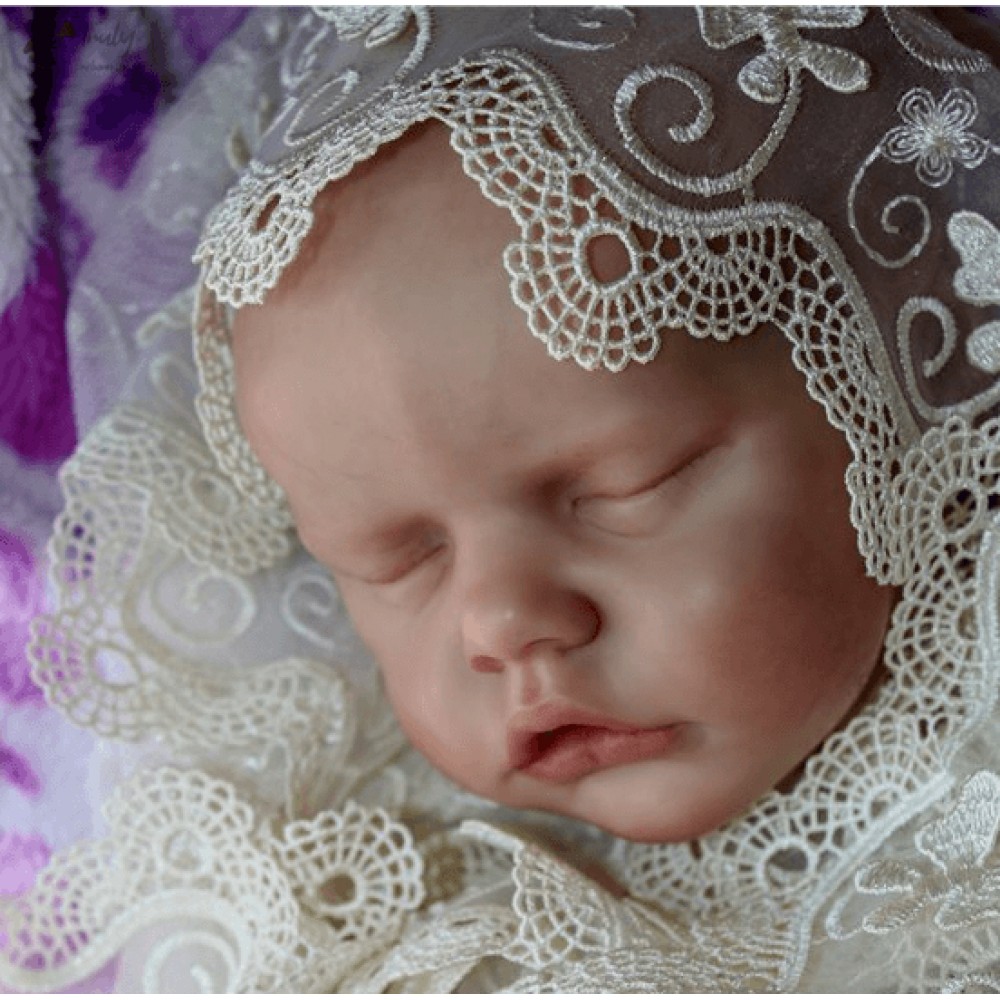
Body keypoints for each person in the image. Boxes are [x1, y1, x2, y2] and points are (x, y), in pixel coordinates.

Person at [3, 7, 1000, 992]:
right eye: (397, 558)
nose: (499, 621)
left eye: (624, 486)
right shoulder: (394, 908)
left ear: (902, 380)